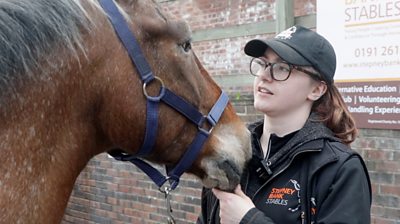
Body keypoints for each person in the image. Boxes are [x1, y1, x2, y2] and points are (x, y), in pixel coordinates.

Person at [197, 25, 371, 224]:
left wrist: (249, 220)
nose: (264, 75)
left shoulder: (339, 169)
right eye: (263, 64)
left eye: (282, 68)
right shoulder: (230, 154)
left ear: (316, 90)